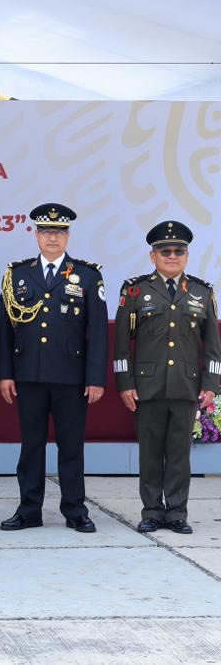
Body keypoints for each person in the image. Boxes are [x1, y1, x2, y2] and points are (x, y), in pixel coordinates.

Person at [0, 203, 108, 533]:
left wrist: (95, 378)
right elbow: (5, 331)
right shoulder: (17, 275)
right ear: (36, 235)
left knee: (71, 446)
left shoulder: (87, 275)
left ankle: (75, 510)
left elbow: (98, 332)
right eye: (46, 231)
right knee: (31, 446)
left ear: (68, 236)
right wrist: (5, 373)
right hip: (29, 375)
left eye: (59, 232)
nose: (52, 238)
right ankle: (29, 510)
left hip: (71, 378)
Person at [114, 220, 221, 534]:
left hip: (186, 386)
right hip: (147, 386)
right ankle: (151, 511)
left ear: (186, 255)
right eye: (165, 251)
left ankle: (176, 513)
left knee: (179, 455)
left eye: (178, 251)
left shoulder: (202, 292)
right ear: (153, 256)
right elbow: (121, 344)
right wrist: (124, 383)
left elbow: (213, 347)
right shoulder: (135, 290)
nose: (172, 256)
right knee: (150, 453)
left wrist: (211, 385)